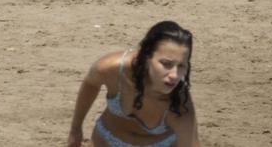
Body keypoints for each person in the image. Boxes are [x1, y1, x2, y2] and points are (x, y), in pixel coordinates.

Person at [67, 21, 197, 147]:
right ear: (147, 57)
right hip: (106, 140)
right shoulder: (114, 69)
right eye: (166, 64)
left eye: (181, 65)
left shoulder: (179, 106)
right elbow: (91, 84)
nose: (174, 75)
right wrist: (76, 128)